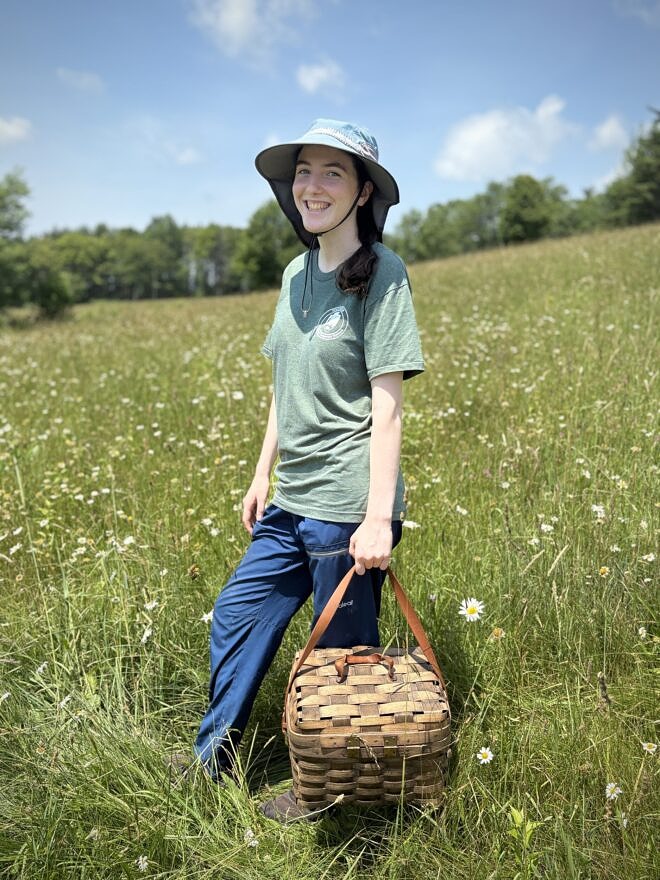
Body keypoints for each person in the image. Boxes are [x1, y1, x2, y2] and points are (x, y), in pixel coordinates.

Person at [192, 118, 424, 822]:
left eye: (332, 173)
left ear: (360, 193)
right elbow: (283, 387)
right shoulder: (295, 274)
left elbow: (387, 406)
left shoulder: (383, 275)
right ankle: (214, 757)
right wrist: (261, 473)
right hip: (291, 498)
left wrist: (379, 516)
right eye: (303, 172)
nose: (312, 186)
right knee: (236, 613)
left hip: (346, 509)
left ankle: (336, 793)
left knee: (343, 658)